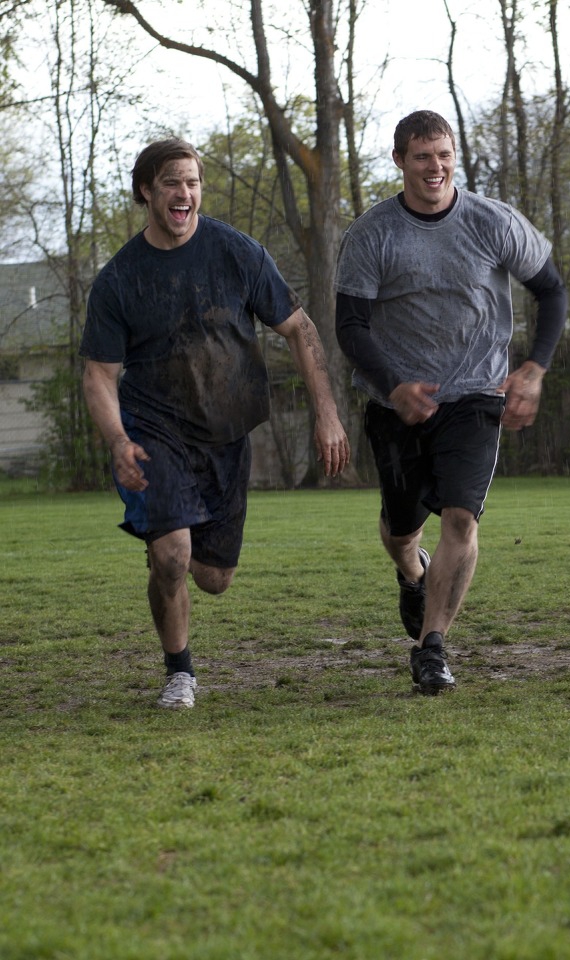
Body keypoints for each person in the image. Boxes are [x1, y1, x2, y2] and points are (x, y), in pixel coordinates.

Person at [82, 138, 350, 709]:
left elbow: (300, 329)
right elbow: (100, 375)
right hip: (155, 430)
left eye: (193, 182)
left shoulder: (238, 253)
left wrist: (327, 413)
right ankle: (180, 671)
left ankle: (164, 557)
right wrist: (118, 439)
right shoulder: (119, 280)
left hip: (227, 433)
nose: (185, 193)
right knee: (173, 554)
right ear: (146, 191)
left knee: (212, 578)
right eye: (173, 182)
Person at [335, 109, 567, 695]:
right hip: (397, 405)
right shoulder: (372, 233)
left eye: (443, 154)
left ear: (454, 156)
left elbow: (550, 288)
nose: (434, 166)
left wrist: (533, 369)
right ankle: (412, 576)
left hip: (475, 395)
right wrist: (393, 385)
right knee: (400, 529)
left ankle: (432, 647)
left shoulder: (494, 222)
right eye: (421, 156)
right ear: (399, 162)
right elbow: (351, 326)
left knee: (462, 517)